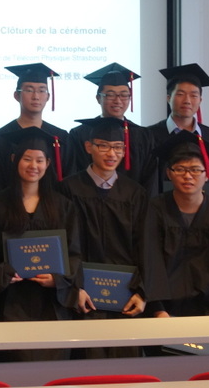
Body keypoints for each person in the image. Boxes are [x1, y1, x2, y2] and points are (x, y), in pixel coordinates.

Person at [0, 126, 81, 362]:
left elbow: (74, 252)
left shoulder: (62, 205)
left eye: (39, 160)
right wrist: (4, 273)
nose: (33, 165)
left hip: (52, 303)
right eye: (27, 159)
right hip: (12, 302)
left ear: (48, 163)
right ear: (14, 159)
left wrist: (57, 280)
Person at [57, 117, 148, 358]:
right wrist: (73, 288)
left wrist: (142, 291)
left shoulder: (135, 194)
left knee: (125, 368)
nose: (111, 153)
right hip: (83, 298)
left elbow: (145, 247)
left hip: (126, 298)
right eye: (103, 146)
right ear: (89, 147)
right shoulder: (68, 189)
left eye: (118, 147)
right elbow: (63, 246)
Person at [142, 131, 209, 318]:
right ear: (169, 173)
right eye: (180, 169)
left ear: (207, 174)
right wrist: (157, 309)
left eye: (196, 170)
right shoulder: (154, 211)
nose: (188, 176)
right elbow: (150, 263)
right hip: (163, 313)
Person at [147, 63, 209, 211]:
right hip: (160, 216)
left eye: (194, 95)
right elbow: (143, 182)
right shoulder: (148, 136)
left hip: (206, 217)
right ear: (168, 98)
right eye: (180, 94)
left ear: (200, 100)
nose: (187, 100)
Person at [67, 63, 157, 195]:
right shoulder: (79, 134)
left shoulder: (143, 136)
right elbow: (74, 175)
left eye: (124, 95)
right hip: (87, 202)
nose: (118, 101)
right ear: (98, 98)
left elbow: (150, 179)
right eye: (110, 95)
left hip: (133, 203)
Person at [0, 63, 70, 195]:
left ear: (48, 97)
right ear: (16, 95)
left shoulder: (61, 137)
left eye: (42, 90)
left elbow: (69, 178)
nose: (36, 96)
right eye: (29, 90)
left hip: (54, 206)